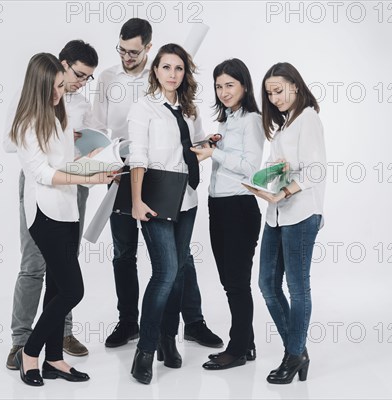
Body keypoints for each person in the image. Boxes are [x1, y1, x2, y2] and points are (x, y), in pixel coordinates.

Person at [92, 18, 222, 349]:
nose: (127, 56)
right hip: (123, 172)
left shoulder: (166, 73)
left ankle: (193, 322)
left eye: (134, 51)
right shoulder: (108, 78)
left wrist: (208, 143)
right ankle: (127, 323)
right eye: (122, 49)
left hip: (167, 178)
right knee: (123, 251)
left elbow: (189, 133)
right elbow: (96, 128)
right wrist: (105, 155)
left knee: (178, 258)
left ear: (148, 48)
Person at [9, 52, 113, 386]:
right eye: (55, 88)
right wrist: (85, 177)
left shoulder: (59, 117)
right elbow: (41, 173)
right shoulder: (26, 123)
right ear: (40, 86)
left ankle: (54, 359)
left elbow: (65, 164)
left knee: (57, 288)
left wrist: (94, 162)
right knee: (73, 289)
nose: (60, 94)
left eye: (61, 87)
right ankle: (30, 352)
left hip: (68, 211)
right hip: (44, 213)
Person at [126, 43, 206, 385]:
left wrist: (208, 147)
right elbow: (138, 158)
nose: (172, 74)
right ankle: (144, 351)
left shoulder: (189, 110)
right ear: (155, 70)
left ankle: (167, 339)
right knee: (166, 271)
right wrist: (136, 202)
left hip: (186, 199)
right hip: (155, 199)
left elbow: (193, 151)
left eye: (178, 69)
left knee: (178, 274)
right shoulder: (143, 109)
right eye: (166, 67)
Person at [245, 62, 326, 384]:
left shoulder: (308, 119)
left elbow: (316, 170)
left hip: (301, 213)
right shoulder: (283, 125)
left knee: (297, 287)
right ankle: (298, 350)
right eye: (269, 94)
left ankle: (293, 355)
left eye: (279, 91)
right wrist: (270, 174)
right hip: (277, 215)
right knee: (267, 284)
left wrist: (286, 189)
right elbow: (288, 166)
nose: (274, 98)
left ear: (295, 85)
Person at [191, 58, 263, 370]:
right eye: (219, 86)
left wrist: (215, 153)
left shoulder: (252, 120)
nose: (224, 91)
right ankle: (246, 342)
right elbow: (228, 159)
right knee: (228, 279)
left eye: (229, 85)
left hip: (239, 207)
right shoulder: (227, 121)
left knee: (236, 282)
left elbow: (251, 169)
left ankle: (236, 348)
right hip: (218, 205)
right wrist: (212, 144)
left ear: (244, 86)